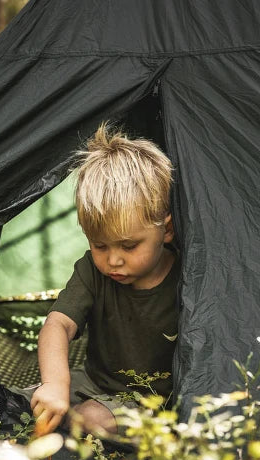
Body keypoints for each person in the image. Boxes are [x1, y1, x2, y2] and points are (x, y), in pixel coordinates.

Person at [30, 122, 180, 436]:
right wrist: (55, 384)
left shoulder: (186, 277)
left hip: (153, 402)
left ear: (166, 230)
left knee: (91, 418)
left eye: (129, 246)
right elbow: (58, 324)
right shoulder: (92, 271)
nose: (113, 260)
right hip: (94, 382)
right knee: (27, 401)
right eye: (99, 245)